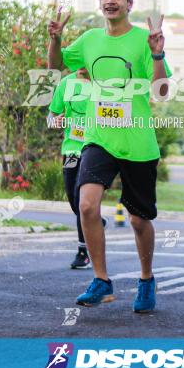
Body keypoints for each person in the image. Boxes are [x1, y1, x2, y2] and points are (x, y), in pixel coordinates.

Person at [47, 0, 171, 313]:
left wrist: (158, 55)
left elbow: (161, 93)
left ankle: (146, 279)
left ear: (129, 3)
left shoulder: (144, 41)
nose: (110, 1)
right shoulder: (89, 40)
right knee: (86, 205)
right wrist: (56, 40)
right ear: (100, 2)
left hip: (138, 143)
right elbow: (55, 68)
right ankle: (102, 280)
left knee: (138, 219)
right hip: (98, 137)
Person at [47, 68, 107, 269]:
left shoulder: (103, 82)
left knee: (83, 202)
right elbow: (51, 116)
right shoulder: (66, 83)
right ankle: (95, 221)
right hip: (71, 150)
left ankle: (83, 252)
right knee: (75, 202)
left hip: (95, 150)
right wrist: (55, 121)